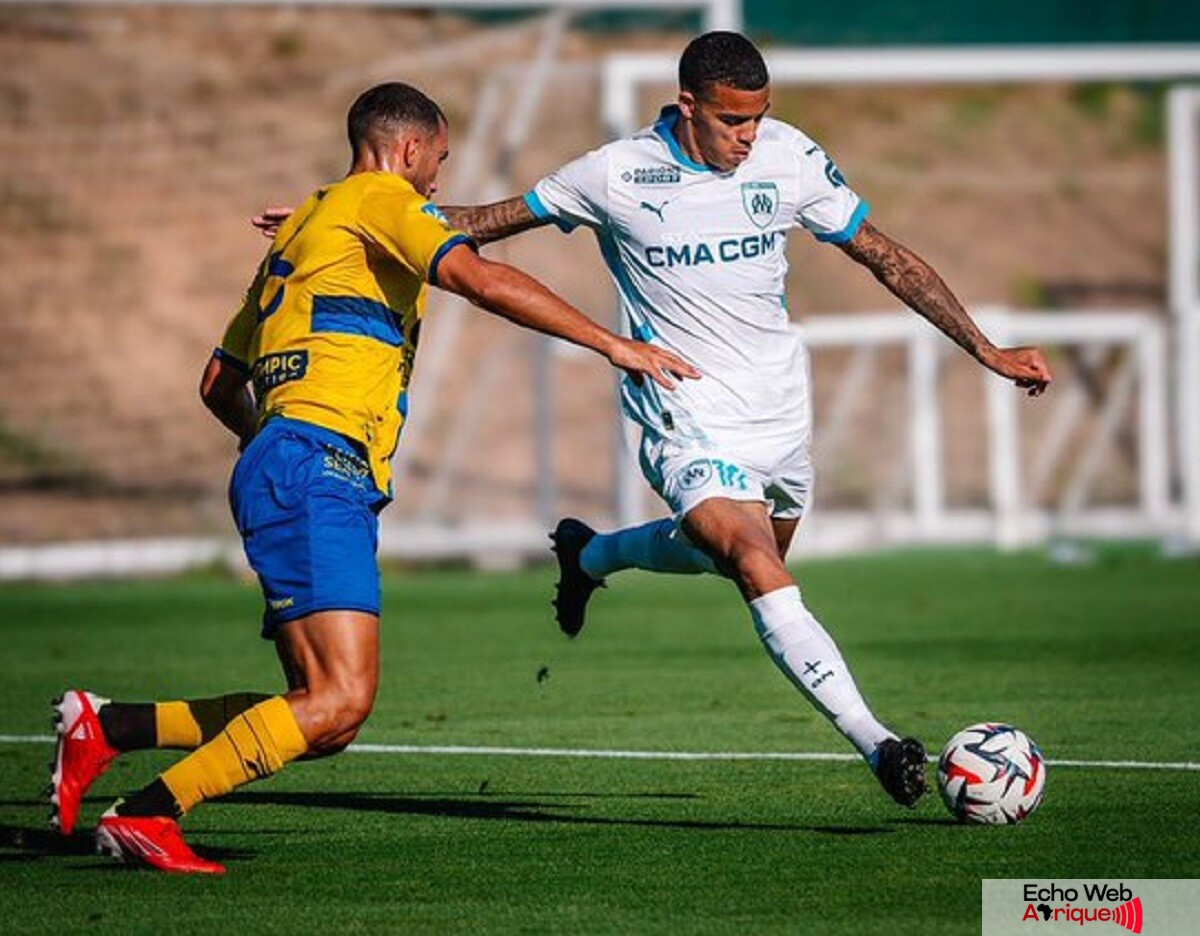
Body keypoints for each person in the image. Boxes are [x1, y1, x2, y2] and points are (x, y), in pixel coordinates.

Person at [252, 34, 1053, 810]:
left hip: (778, 409)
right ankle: (879, 743)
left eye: (759, 118)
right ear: (688, 106)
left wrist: (984, 347)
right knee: (749, 560)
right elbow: (487, 221)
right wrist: (352, 215)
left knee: (749, 554)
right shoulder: (615, 172)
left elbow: (886, 255)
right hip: (684, 408)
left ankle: (591, 553)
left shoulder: (792, 157)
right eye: (734, 121)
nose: (750, 136)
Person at [49, 81, 697, 875]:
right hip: (317, 466)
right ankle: (149, 813)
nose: (436, 186)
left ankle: (111, 727)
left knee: (323, 716)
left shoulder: (310, 226)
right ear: (411, 148)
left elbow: (219, 383)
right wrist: (614, 344)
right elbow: (480, 280)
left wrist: (274, 445)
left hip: (287, 461)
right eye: (439, 164)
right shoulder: (385, 201)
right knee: (339, 702)